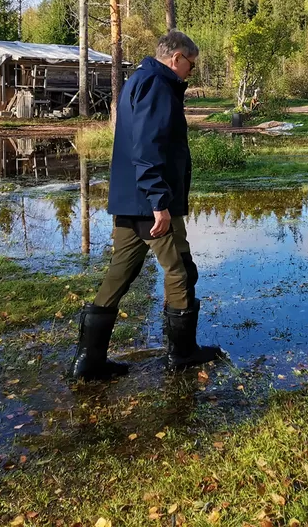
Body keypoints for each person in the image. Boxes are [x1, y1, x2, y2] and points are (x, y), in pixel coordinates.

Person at [70, 30, 225, 381]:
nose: (191, 72)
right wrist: (159, 202)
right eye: (191, 64)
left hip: (128, 200)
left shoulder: (138, 80)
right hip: (149, 204)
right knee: (181, 271)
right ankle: (182, 354)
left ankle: (88, 362)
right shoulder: (158, 85)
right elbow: (147, 148)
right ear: (177, 58)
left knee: (120, 273)